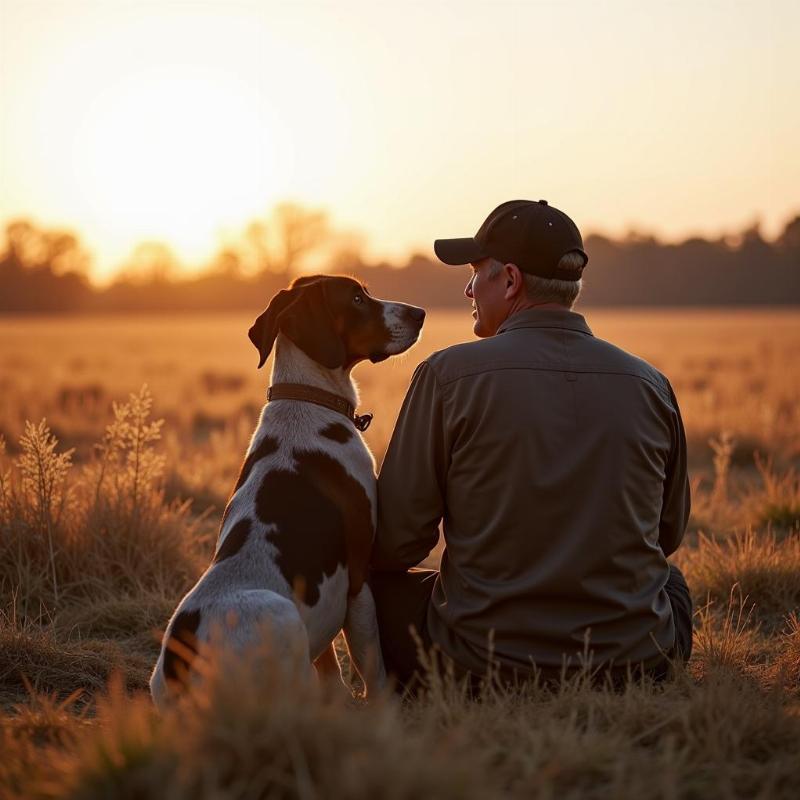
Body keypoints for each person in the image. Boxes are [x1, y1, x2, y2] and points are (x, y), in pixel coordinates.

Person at [370, 199, 692, 691]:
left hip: (476, 666)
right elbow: (666, 535)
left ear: (512, 281)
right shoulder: (652, 383)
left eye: (476, 272)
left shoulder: (445, 375)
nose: (468, 288)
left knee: (373, 589)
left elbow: (395, 543)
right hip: (634, 663)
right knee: (671, 582)